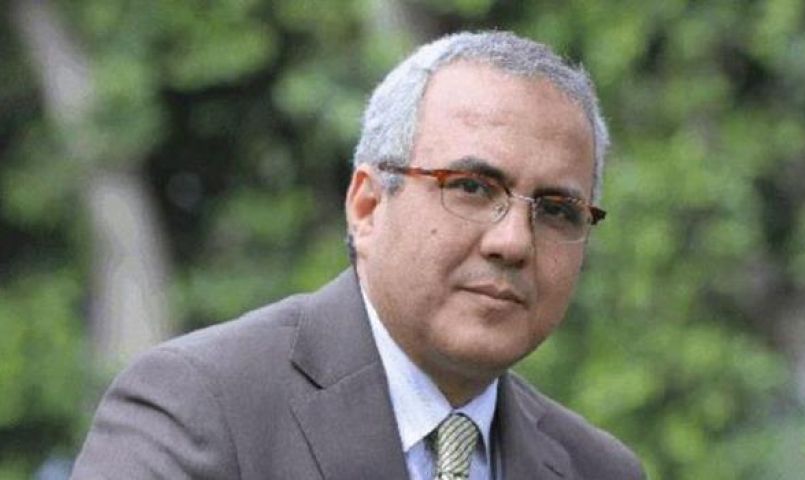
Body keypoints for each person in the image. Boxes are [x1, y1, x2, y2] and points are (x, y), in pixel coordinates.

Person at [71, 31, 644, 480]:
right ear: (368, 206)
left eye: (557, 210)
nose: (514, 242)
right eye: (471, 187)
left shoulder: (597, 469)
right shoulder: (201, 407)